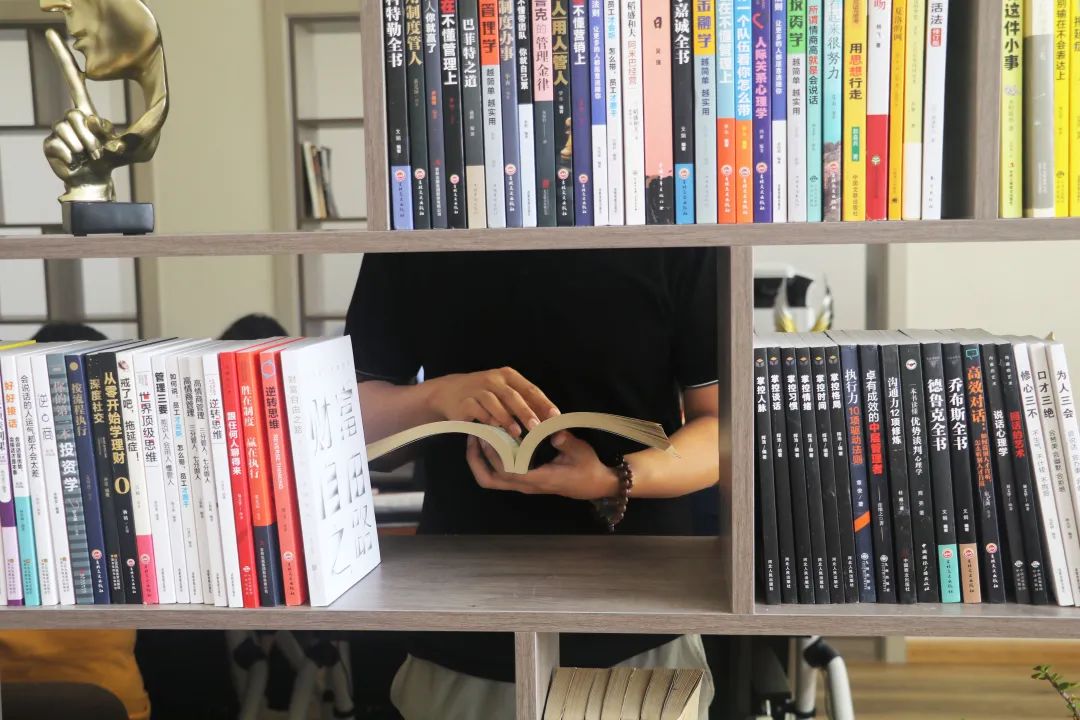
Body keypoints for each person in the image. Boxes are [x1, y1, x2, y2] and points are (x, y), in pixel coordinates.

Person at [345, 248, 720, 720]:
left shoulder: (675, 231)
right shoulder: (415, 230)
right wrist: (438, 396)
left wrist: (612, 479)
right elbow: (356, 428)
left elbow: (724, 427)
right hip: (461, 611)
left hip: (639, 615)